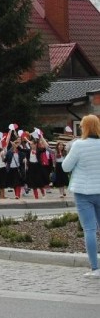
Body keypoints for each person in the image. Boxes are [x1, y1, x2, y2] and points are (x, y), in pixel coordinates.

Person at [61, 115, 100, 277]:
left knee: (90, 229)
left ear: (84, 127)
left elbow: (65, 167)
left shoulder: (78, 145)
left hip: (83, 192)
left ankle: (95, 268)